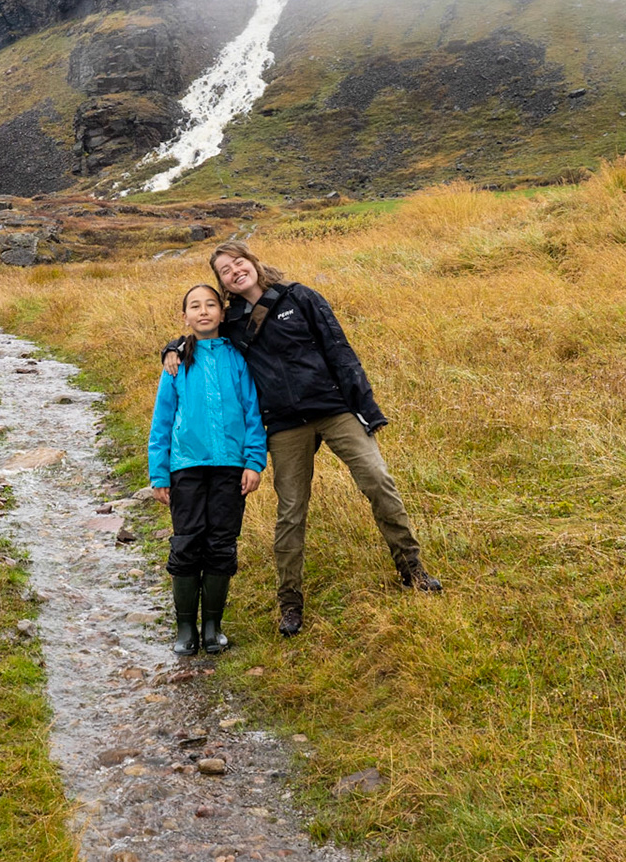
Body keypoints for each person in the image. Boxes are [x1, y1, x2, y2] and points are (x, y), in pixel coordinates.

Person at [163, 240, 441, 638]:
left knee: (378, 481)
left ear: (253, 262)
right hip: (284, 425)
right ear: (222, 283)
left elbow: (339, 350)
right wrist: (171, 348)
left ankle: (412, 569)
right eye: (225, 270)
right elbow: (200, 333)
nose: (235, 271)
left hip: (334, 409)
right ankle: (290, 603)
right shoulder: (232, 321)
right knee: (291, 510)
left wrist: (367, 408)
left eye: (238, 262)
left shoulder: (301, 297)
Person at [147, 283, 268, 656]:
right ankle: (185, 629)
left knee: (221, 544)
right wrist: (159, 473)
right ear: (185, 317)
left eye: (210, 305)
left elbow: (252, 412)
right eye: (195, 307)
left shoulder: (237, 357)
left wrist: (253, 461)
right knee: (187, 543)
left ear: (221, 312)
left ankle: (212, 627)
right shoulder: (177, 362)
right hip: (186, 466)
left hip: (231, 467)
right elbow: (162, 421)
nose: (203, 312)